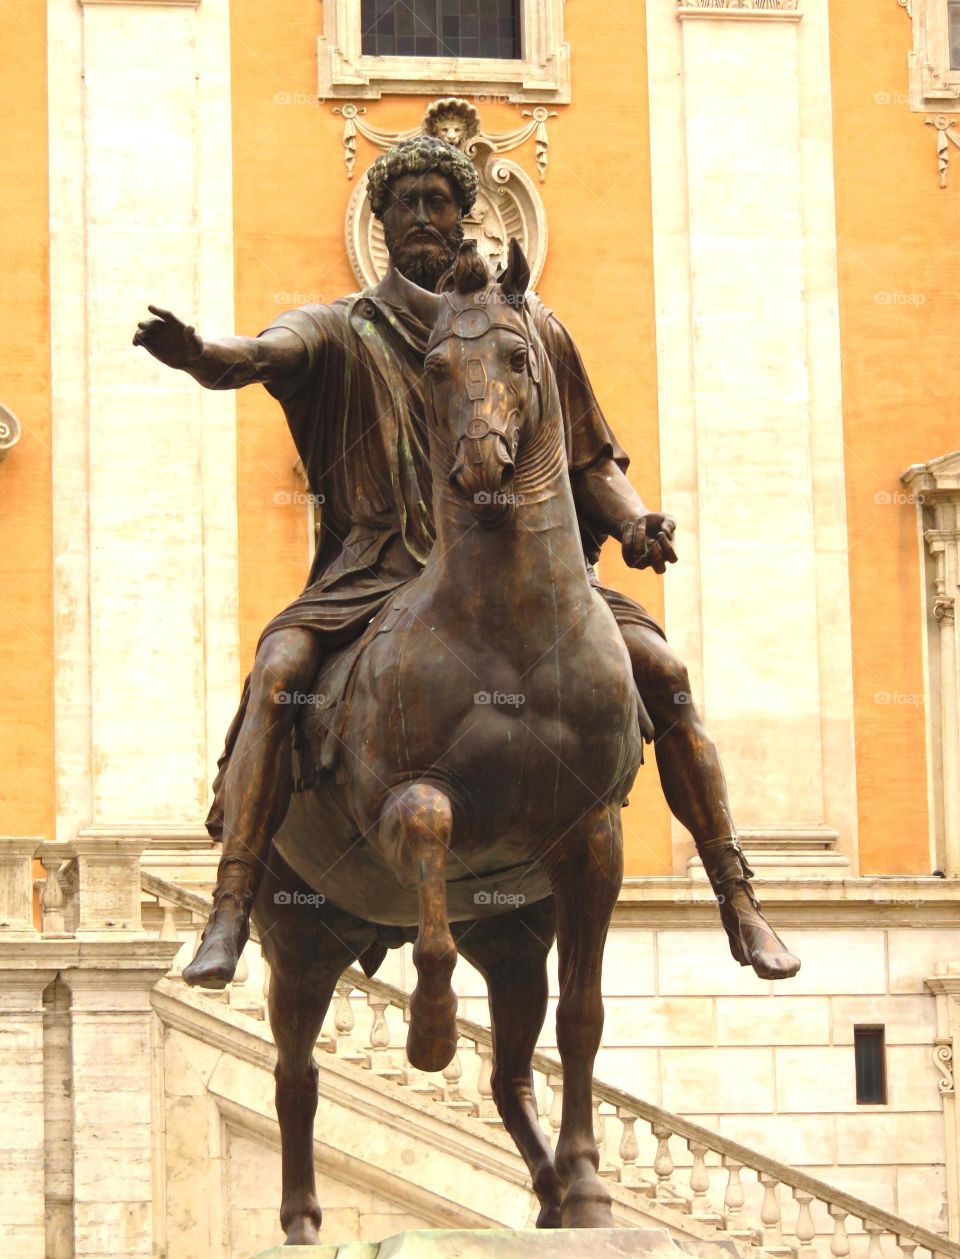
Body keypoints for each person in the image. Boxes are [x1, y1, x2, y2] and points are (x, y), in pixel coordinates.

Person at [133, 136, 799, 988]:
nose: (421, 216)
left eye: (437, 201)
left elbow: (591, 459)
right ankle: (230, 906)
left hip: (529, 584)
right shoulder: (344, 327)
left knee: (664, 672)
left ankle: (736, 893)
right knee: (277, 672)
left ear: (463, 217)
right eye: (404, 201)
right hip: (373, 577)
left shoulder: (533, 328)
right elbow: (263, 355)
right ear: (379, 222)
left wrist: (633, 528)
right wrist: (200, 356)